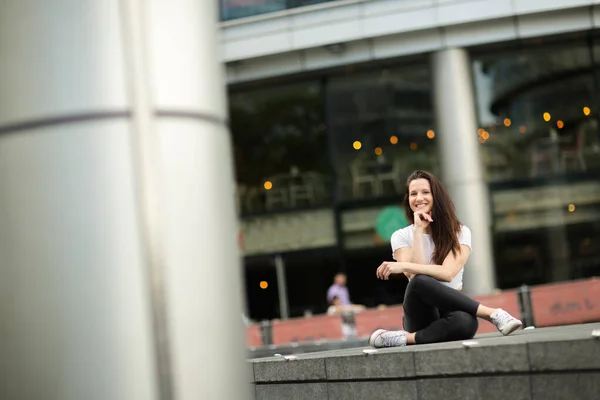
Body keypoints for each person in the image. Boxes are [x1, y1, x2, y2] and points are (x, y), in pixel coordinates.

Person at [369, 170, 522, 348]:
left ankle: (404, 339)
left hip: (451, 307)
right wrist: (418, 230)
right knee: (419, 281)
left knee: (467, 323)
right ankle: (493, 314)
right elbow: (414, 276)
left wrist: (401, 265)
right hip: (420, 310)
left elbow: (448, 273)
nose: (419, 198)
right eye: (413, 194)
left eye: (425, 192)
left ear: (437, 195)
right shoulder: (401, 236)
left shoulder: (460, 232)